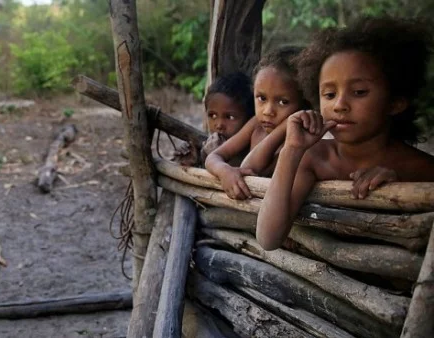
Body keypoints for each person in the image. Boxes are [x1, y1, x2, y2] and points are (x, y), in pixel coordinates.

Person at [256, 17, 434, 251]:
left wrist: (397, 188)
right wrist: (292, 149)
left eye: (359, 92)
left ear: (395, 102)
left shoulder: (421, 169)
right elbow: (268, 238)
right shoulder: (315, 158)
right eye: (329, 95)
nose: (340, 105)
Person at [205, 46, 310, 199]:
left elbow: (256, 168)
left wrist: (284, 127)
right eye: (261, 98)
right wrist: (224, 171)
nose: (268, 111)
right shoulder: (256, 125)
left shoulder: (303, 139)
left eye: (283, 102)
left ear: (304, 103)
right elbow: (214, 157)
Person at [173, 72, 254, 167]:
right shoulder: (205, 148)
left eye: (230, 117)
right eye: (213, 116)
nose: (219, 125)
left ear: (249, 119)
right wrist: (193, 160)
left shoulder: (253, 152)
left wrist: (214, 156)